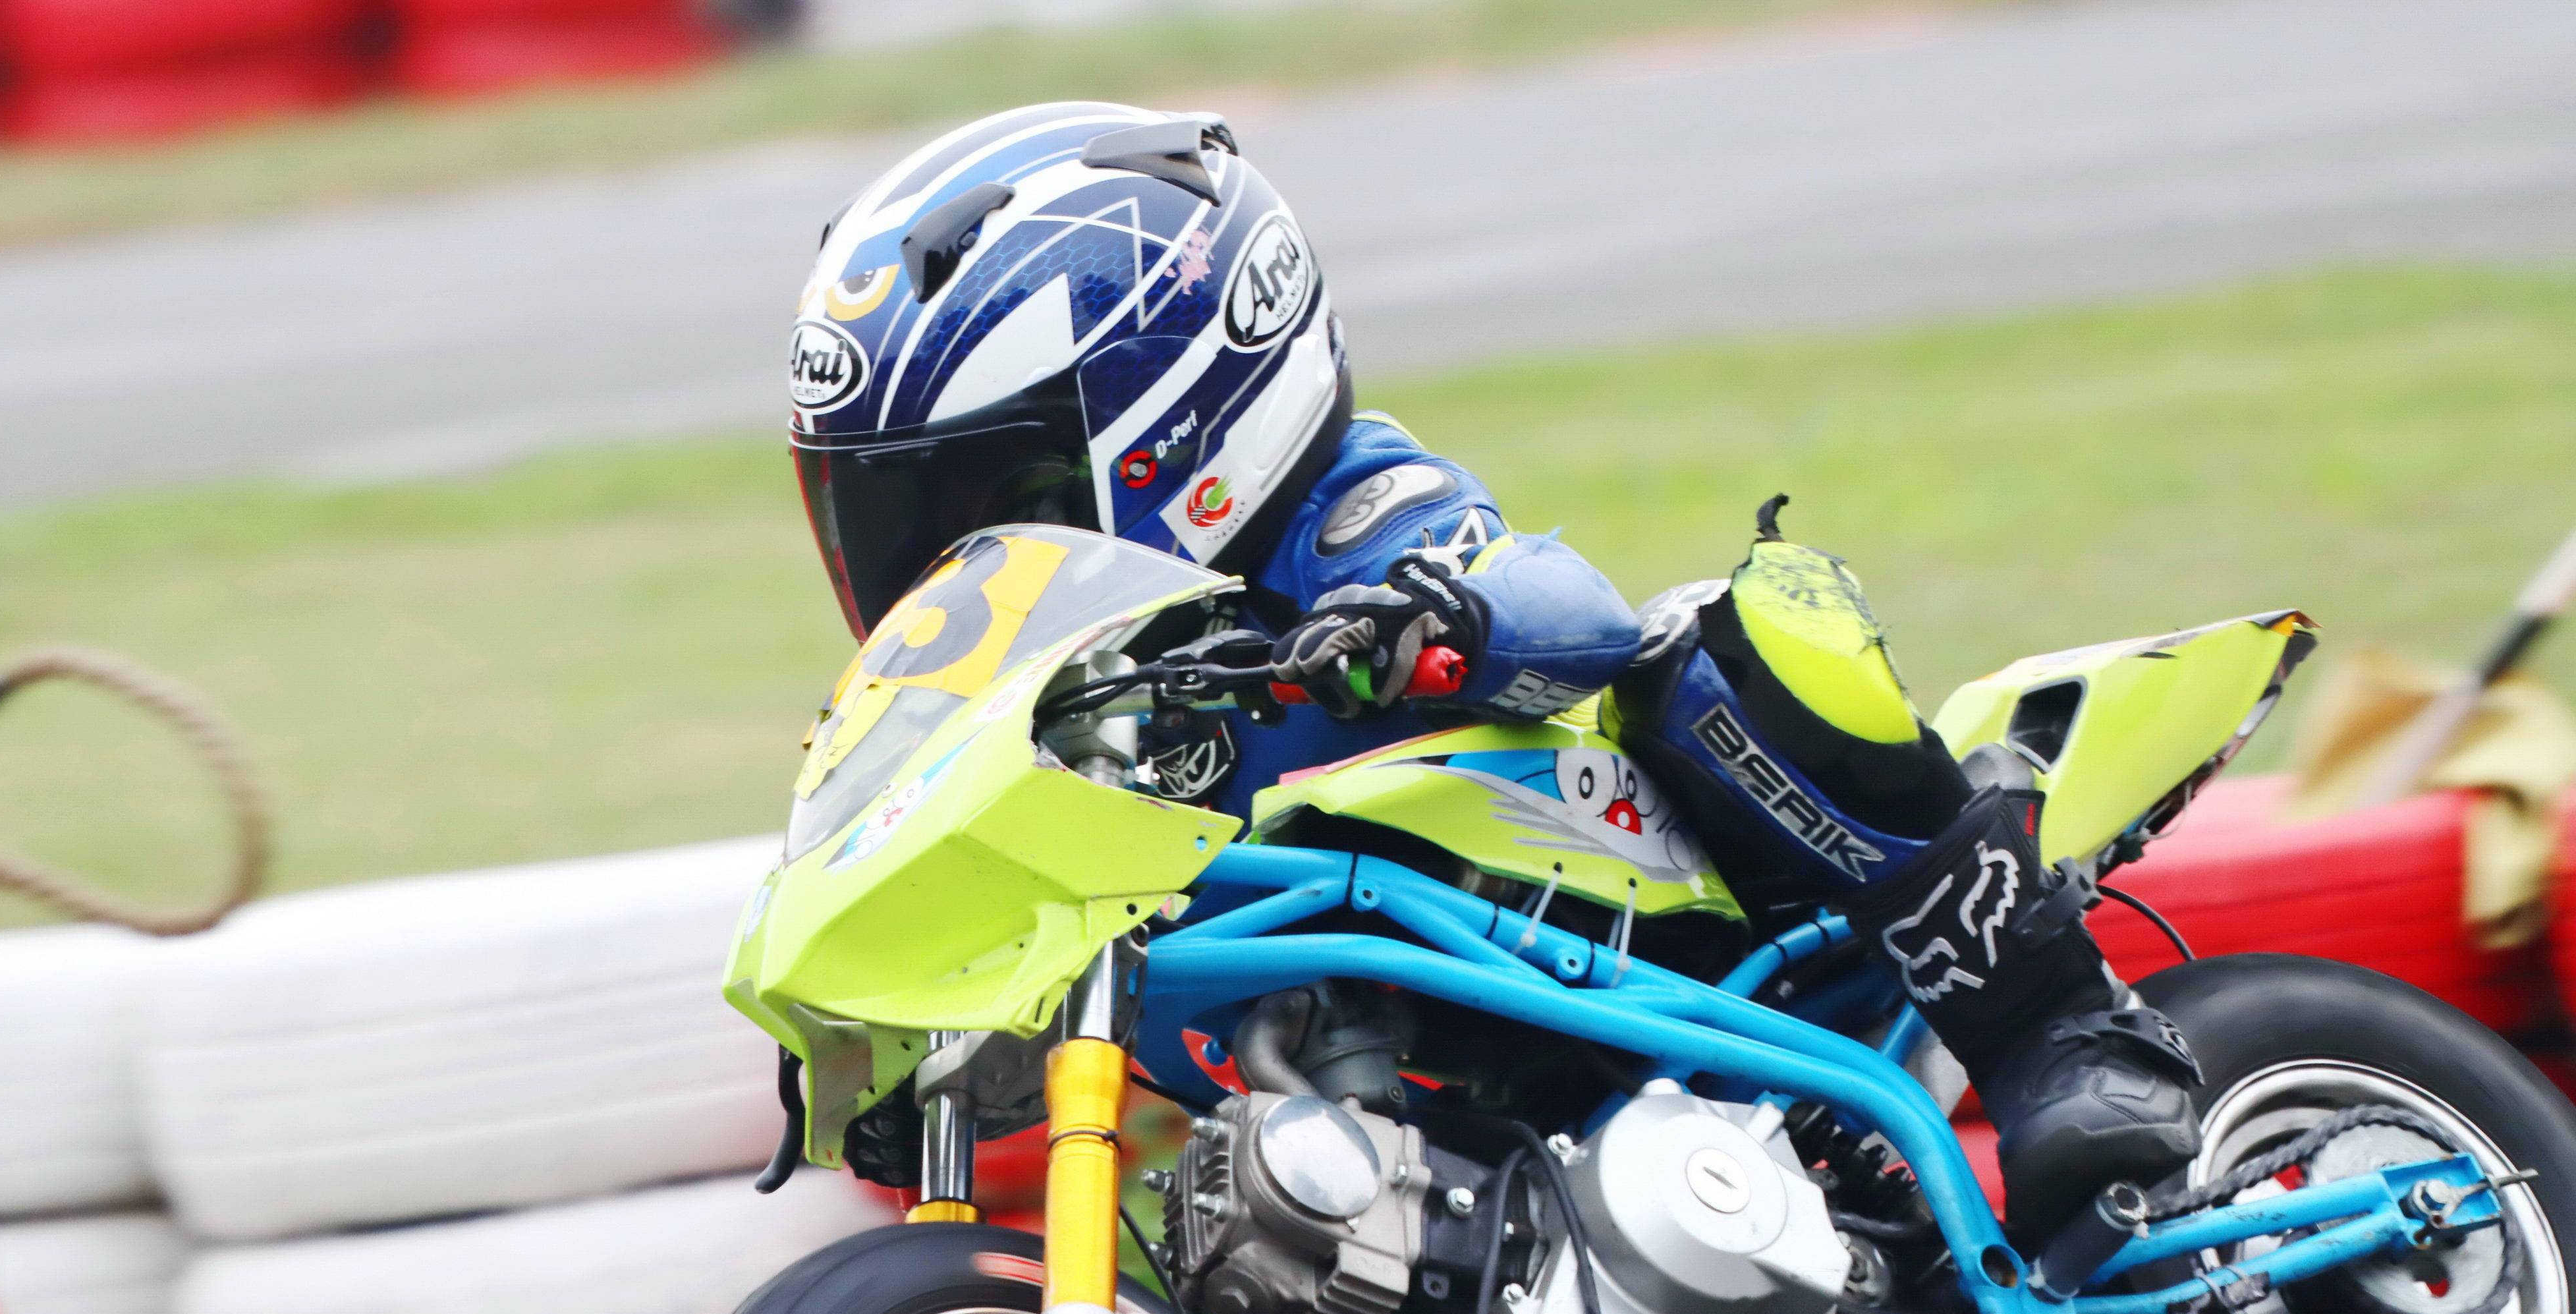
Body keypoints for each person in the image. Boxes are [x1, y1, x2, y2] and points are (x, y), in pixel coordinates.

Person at [787, 101, 2198, 1255]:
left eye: (997, 502)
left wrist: (1426, 613)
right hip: (1477, 1117)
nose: (947, 568)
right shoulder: (1084, 707)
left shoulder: (1341, 510)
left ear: (1168, 407)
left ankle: (2064, 1033)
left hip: (1677, 914)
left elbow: (1567, 614)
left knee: (1720, 636)